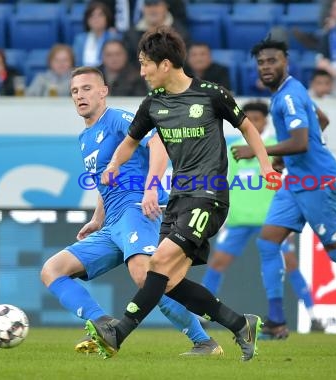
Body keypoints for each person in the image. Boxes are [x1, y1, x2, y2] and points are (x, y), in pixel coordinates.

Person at [86, 27, 273, 361]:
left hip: (209, 196)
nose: (141, 72)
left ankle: (120, 331)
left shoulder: (212, 94)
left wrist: (266, 166)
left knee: (157, 262)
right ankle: (240, 323)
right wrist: (114, 164)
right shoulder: (152, 105)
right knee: (167, 280)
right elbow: (130, 142)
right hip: (177, 199)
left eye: (145, 65)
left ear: (166, 64)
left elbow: (246, 126)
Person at [40, 66, 222, 356]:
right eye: (74, 91)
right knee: (52, 270)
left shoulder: (118, 119)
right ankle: (103, 323)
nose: (79, 96)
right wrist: (97, 218)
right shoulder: (84, 138)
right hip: (112, 223)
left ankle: (205, 342)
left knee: (147, 276)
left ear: (103, 92)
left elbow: (159, 141)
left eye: (87, 88)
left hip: (137, 209)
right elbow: (106, 179)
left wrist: (152, 188)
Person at [232, 37, 336, 340]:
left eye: (272, 61)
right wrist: (287, 158)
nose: (266, 67)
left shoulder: (288, 97)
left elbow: (301, 141)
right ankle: (277, 321)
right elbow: (322, 119)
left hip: (319, 181)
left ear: (286, 62)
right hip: (298, 180)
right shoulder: (289, 92)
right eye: (261, 63)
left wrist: (259, 151)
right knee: (268, 242)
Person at [200, 101, 325, 336]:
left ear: (265, 120)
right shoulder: (232, 148)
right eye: (249, 120)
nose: (253, 124)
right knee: (217, 263)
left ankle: (314, 316)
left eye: (257, 119)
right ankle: (202, 316)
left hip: (272, 219)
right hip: (238, 219)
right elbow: (222, 183)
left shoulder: (277, 146)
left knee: (290, 266)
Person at [123, 0, 189, 66]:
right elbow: (130, 63)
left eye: (156, 4)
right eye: (148, 5)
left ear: (166, 6)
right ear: (143, 8)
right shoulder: (132, 35)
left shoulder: (180, 33)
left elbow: (182, 62)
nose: (152, 10)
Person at [73, 1, 119, 67]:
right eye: (92, 15)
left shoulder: (113, 37)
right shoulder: (79, 39)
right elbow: (76, 63)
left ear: (107, 18)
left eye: (100, 15)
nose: (96, 19)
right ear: (87, 19)